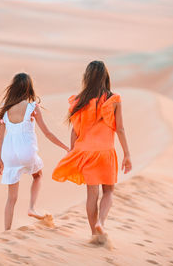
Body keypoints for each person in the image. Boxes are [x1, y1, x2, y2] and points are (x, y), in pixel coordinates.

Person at [52, 61, 132, 242]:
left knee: (91, 195)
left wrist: (72, 152)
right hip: (105, 152)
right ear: (105, 77)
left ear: (87, 77)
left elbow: (75, 131)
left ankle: (94, 234)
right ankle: (101, 223)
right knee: (109, 192)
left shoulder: (79, 100)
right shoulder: (114, 99)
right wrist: (127, 154)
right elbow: (120, 129)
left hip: (85, 153)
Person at [0, 73, 69, 230]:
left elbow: (0, 138)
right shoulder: (32, 108)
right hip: (26, 151)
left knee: (11, 198)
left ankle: (6, 231)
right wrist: (66, 147)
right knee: (38, 175)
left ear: (13, 89)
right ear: (29, 88)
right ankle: (31, 207)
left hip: (8, 154)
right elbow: (47, 133)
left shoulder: (6, 111)